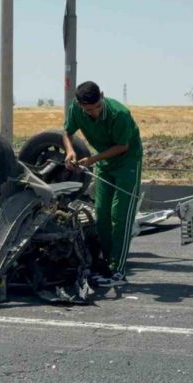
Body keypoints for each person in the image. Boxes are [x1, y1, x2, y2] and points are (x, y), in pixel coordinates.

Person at [62, 81, 143, 287]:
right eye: (89, 109)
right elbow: (67, 132)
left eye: (97, 106)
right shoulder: (76, 109)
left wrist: (92, 160)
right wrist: (70, 150)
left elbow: (122, 146)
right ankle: (107, 265)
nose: (94, 112)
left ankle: (118, 272)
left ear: (102, 96)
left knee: (120, 215)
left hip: (127, 163)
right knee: (102, 214)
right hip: (104, 163)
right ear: (79, 105)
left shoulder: (119, 114)